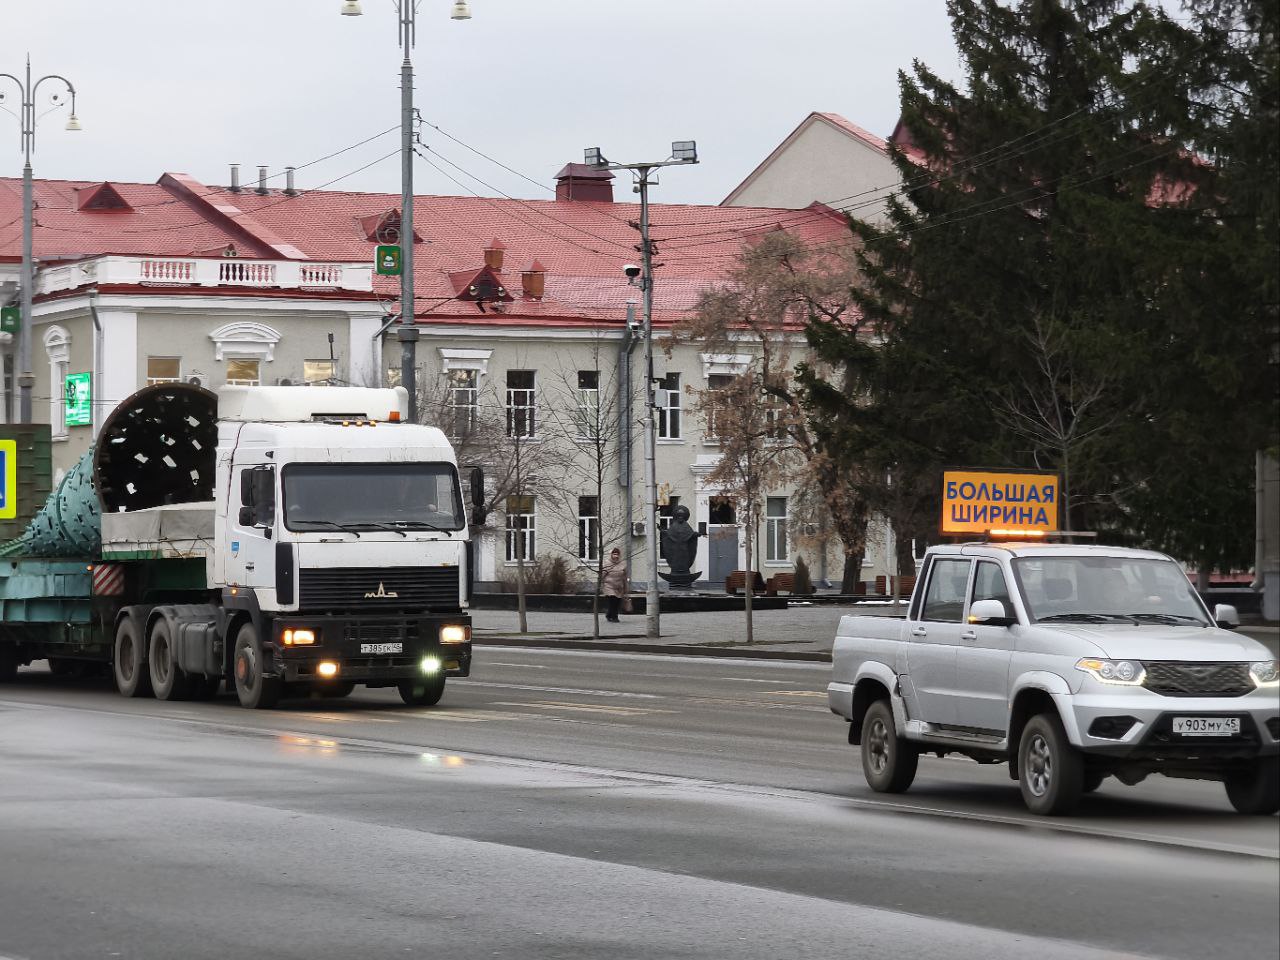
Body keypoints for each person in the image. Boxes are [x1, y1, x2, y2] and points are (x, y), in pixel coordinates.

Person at [602, 547, 627, 622]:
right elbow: (602, 574)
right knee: (612, 600)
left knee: (617, 602)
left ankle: (609, 614)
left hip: (619, 586)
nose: (616, 556)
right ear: (611, 555)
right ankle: (614, 617)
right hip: (609, 585)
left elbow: (625, 576)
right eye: (614, 554)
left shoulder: (622, 563)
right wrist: (601, 584)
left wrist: (626, 587)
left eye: (617, 554)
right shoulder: (607, 563)